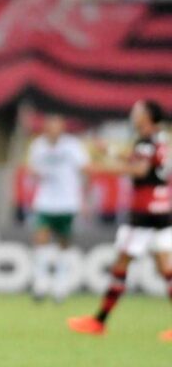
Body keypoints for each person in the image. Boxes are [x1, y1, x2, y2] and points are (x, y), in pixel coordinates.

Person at [68, 100, 172, 342]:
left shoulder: (147, 141)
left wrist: (98, 168)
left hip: (144, 212)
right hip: (162, 208)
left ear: (147, 117)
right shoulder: (159, 138)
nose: (133, 114)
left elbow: (140, 170)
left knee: (121, 264)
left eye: (138, 111)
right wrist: (111, 151)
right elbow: (139, 159)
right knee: (165, 269)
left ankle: (99, 321)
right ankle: (98, 321)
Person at [27, 114, 88, 303]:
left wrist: (84, 199)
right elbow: (32, 170)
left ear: (62, 128)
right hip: (45, 201)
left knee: (64, 243)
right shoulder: (38, 146)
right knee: (41, 239)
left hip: (67, 202)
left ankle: (61, 284)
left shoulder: (72, 146)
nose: (53, 129)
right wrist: (36, 174)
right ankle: (41, 283)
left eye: (56, 126)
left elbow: (84, 170)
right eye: (50, 126)